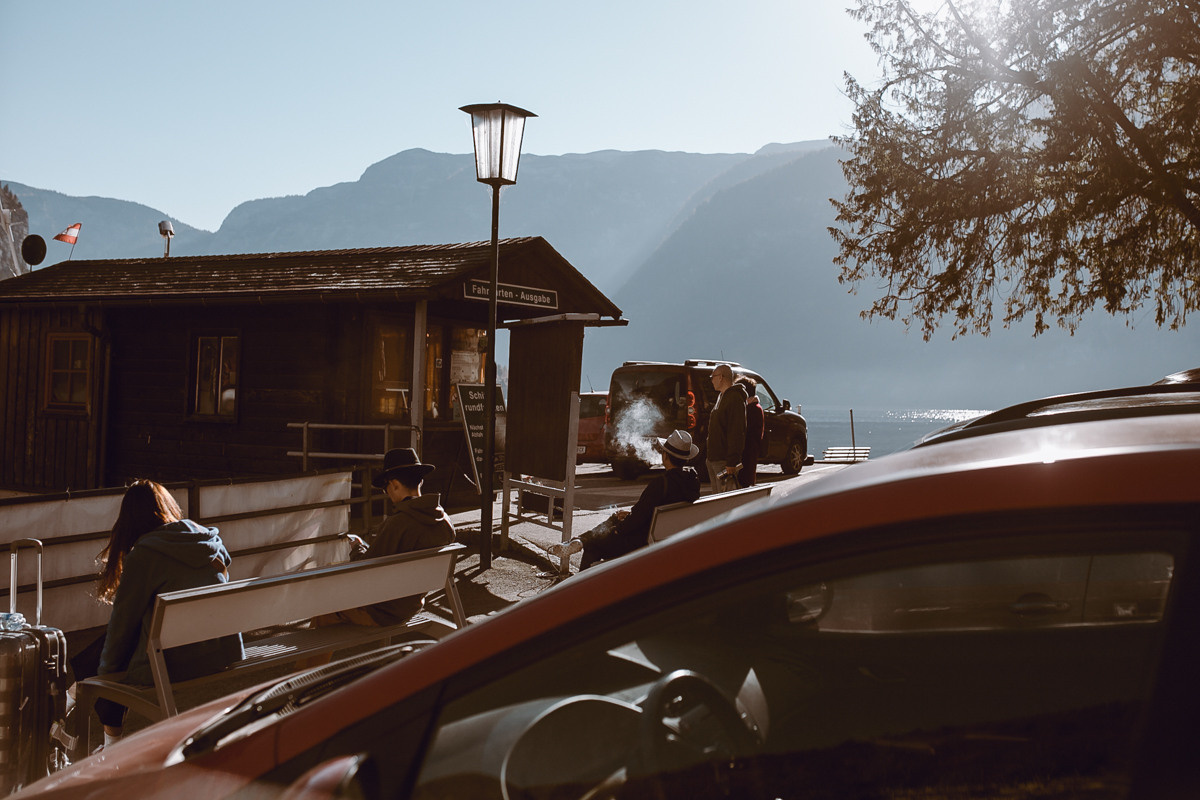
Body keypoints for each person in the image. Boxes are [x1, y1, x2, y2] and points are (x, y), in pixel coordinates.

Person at [74, 480, 243, 749]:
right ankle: (106, 739)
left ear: (129, 520)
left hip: (173, 662)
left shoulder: (145, 555)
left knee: (108, 655)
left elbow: (122, 626)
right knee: (126, 640)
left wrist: (104, 675)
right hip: (220, 651)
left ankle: (105, 738)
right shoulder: (210, 542)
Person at [548, 430, 701, 570]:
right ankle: (580, 540)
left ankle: (581, 582)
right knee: (615, 519)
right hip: (669, 537)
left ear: (665, 455)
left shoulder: (661, 484)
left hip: (642, 540)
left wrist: (617, 530)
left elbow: (637, 519)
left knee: (596, 543)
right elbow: (647, 512)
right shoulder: (693, 483)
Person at [339, 447, 455, 626]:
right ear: (420, 483)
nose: (387, 493)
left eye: (386, 488)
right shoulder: (444, 521)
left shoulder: (398, 524)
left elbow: (365, 569)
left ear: (394, 484)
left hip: (383, 611)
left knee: (324, 610)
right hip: (411, 604)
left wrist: (357, 548)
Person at [706, 364, 747, 493]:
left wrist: (732, 461)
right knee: (716, 497)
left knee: (724, 499)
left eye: (713, 376)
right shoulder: (722, 396)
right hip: (714, 457)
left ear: (721, 377)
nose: (711, 380)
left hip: (723, 459)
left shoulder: (734, 398)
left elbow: (736, 431)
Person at [736, 375, 765, 487]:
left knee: (745, 482)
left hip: (747, 452)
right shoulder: (755, 407)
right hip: (750, 452)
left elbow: (746, 431)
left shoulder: (752, 409)